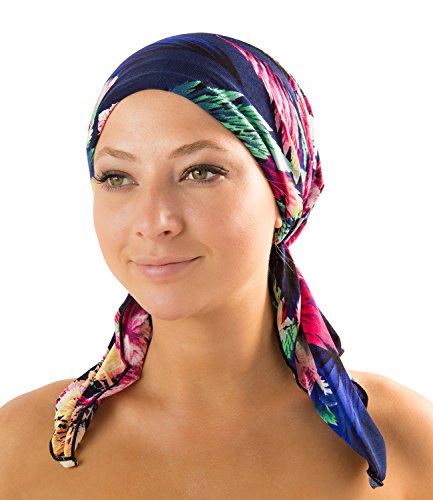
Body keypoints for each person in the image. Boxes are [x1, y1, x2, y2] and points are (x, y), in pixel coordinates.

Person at [1, 32, 432, 499]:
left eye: (201, 172)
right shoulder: (16, 447)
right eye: (117, 177)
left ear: (283, 194)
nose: (153, 221)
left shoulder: (408, 442)